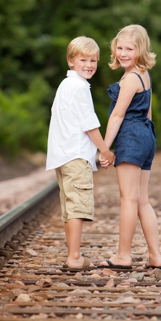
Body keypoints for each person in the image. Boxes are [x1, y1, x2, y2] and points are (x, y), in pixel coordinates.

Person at [97, 24, 161, 271]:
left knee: (128, 198)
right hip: (146, 134)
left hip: (131, 135)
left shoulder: (129, 79)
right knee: (142, 201)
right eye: (120, 47)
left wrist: (104, 149)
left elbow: (117, 115)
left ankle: (123, 256)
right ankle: (155, 256)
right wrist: (145, 137)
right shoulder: (144, 74)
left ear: (141, 50)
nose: (123, 53)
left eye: (130, 48)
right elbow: (148, 111)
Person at [46, 36, 116, 271]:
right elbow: (89, 124)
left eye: (93, 60)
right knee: (77, 207)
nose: (89, 65)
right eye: (83, 60)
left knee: (69, 207)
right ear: (71, 61)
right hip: (75, 155)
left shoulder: (65, 85)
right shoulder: (79, 87)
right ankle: (74, 257)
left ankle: (72, 254)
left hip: (62, 155)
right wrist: (105, 150)